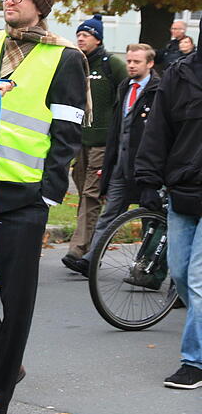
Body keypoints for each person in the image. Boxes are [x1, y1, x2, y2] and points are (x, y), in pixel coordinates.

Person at [0, 0, 87, 414]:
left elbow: (68, 131)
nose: (10, 0)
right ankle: (4, 363)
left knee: (17, 299)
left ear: (41, 4)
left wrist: (48, 195)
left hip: (25, 196)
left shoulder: (67, 57)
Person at [134, 26, 202, 390]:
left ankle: (194, 361)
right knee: (177, 273)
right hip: (183, 191)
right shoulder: (180, 75)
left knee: (197, 278)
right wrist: (147, 179)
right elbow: (158, 129)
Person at [73, 44, 160, 276]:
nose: (131, 65)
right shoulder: (124, 87)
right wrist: (109, 166)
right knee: (109, 214)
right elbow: (116, 131)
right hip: (121, 166)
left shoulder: (158, 90)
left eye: (136, 62)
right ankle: (91, 259)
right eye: (129, 61)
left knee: (148, 220)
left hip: (146, 168)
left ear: (149, 64)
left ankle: (145, 269)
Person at [63, 14, 126, 273]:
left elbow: (125, 97)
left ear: (97, 38)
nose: (80, 38)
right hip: (79, 141)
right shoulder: (77, 62)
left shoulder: (112, 64)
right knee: (84, 195)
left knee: (91, 195)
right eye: (78, 34)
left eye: (85, 35)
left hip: (102, 142)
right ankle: (90, 247)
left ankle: (78, 249)